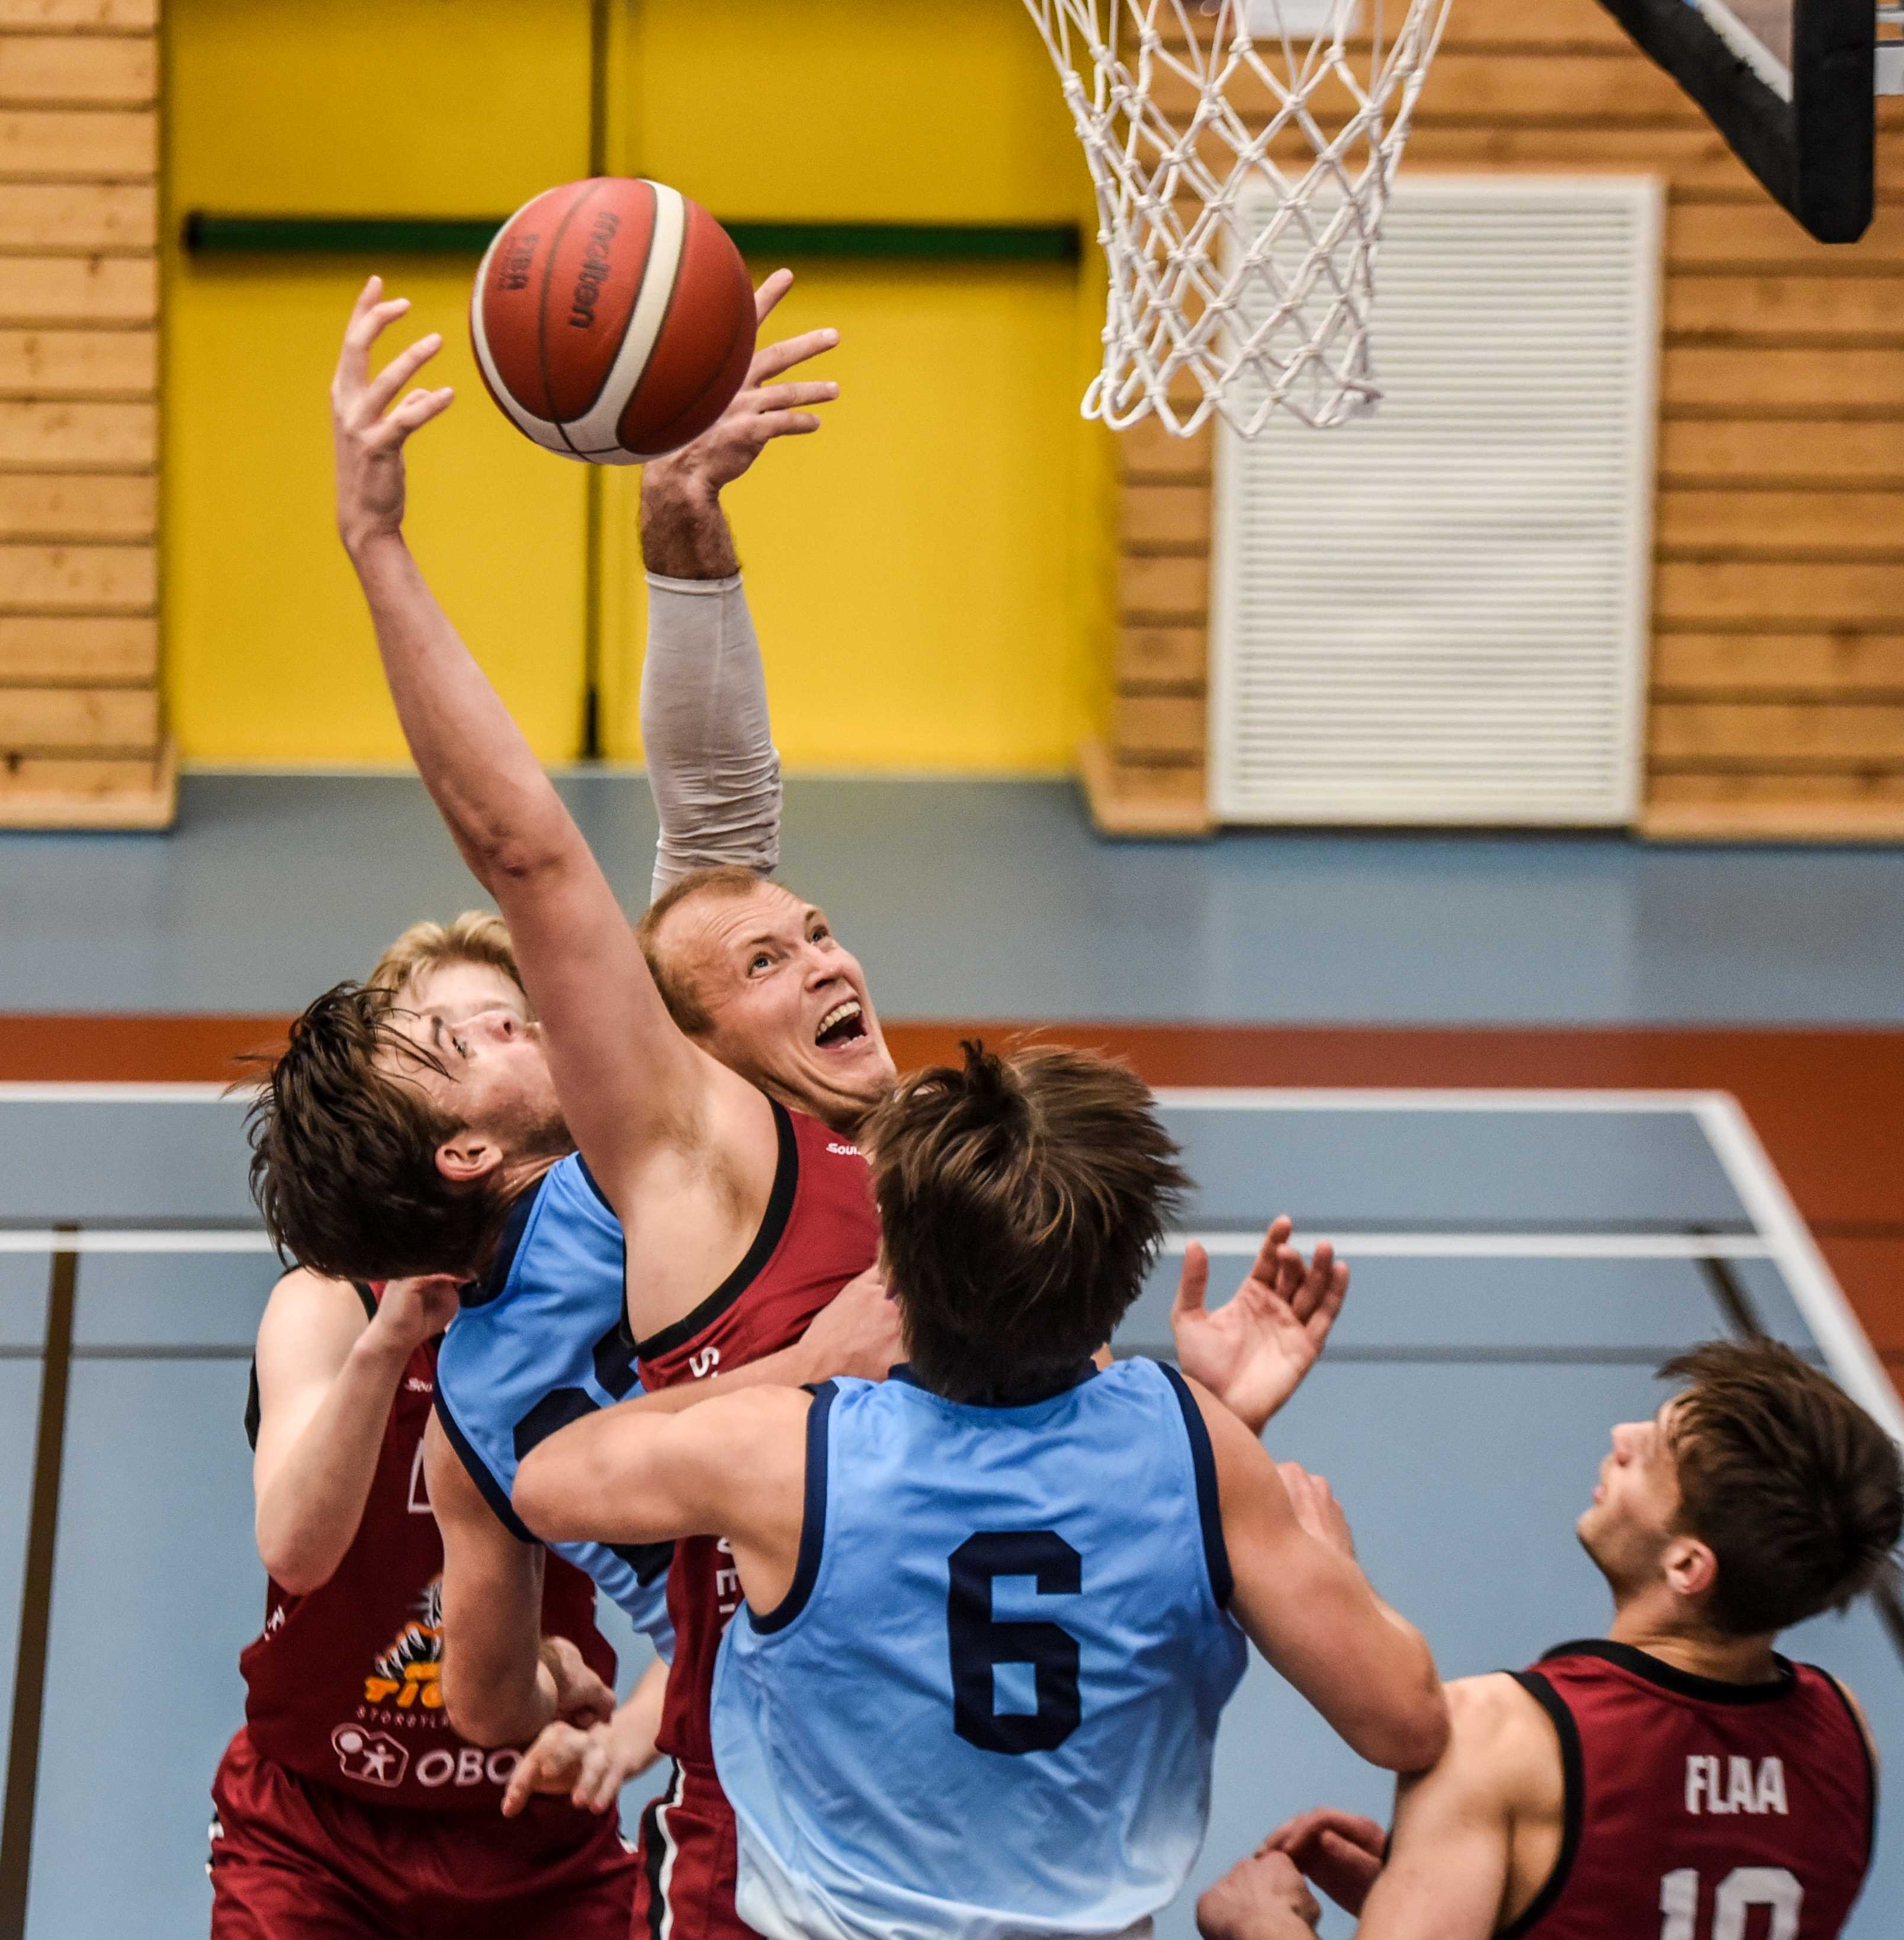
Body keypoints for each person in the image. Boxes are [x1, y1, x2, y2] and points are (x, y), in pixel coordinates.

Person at [249, 277, 1348, 1939]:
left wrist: (682, 538)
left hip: (973, 1803)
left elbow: (714, 824)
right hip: (792, 1846)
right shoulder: (643, 1215)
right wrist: (376, 551)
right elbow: (548, 851)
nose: (817, 944)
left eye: (808, 934)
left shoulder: (850, 1160)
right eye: (764, 960)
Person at [515, 1041, 1447, 1940]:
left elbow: (546, 1481)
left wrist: (798, 1362)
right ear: (1123, 1275)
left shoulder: (794, 1455)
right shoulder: (1195, 1443)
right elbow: (1405, 1718)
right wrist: (1319, 1548)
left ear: (890, 1266)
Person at [211, 914, 657, 1940]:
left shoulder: (616, 1293)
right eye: (450, 1030)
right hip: (316, 1828)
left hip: (536, 1812)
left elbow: (728, 1574)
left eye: (514, 1018)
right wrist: (390, 1343)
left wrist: (623, 1725)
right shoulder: (330, 1305)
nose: (500, 1024)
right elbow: (295, 1546)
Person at [1197, 1339, 1901, 1940]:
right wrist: (1453, 1888)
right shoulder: (1843, 1738)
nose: (1621, 1436)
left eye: (1651, 1454)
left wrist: (1261, 1924)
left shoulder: (1500, 1740)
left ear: (1687, 1566)